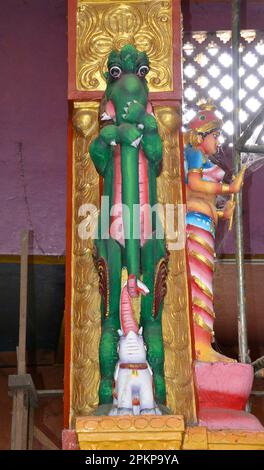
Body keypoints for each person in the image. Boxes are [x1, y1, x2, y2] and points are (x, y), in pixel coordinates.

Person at [184, 101, 245, 362]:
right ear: (200, 136)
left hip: (202, 224)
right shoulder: (193, 153)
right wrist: (227, 190)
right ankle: (199, 345)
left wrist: (222, 213)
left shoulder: (201, 157)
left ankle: (203, 343)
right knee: (199, 284)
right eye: (215, 135)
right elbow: (195, 184)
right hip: (193, 225)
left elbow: (202, 196)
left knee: (204, 284)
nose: (218, 141)